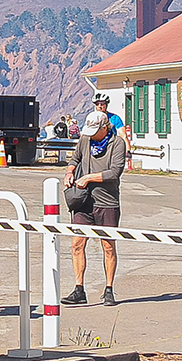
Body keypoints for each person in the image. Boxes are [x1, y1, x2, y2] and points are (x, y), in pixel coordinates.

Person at [63, 109, 127, 305]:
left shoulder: (117, 144)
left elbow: (114, 173)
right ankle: (78, 288)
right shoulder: (85, 140)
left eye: (94, 131)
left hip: (107, 202)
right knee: (77, 244)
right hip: (83, 202)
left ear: (105, 127)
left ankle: (109, 289)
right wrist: (70, 172)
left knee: (108, 246)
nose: (90, 136)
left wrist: (89, 178)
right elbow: (75, 158)